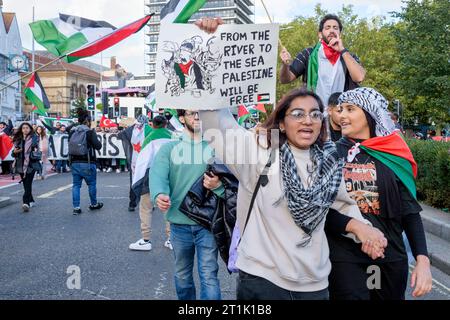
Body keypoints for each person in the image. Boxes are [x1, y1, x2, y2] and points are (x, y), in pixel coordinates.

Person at [326, 87, 432, 300]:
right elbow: (321, 209)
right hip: (344, 258)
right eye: (340, 110)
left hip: (391, 259)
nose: (341, 115)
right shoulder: (330, 154)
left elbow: (409, 212)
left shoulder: (395, 153)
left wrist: (423, 260)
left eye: (350, 109)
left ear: (369, 113)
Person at [150, 110, 224, 300]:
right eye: (192, 113)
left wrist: (218, 186)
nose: (197, 117)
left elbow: (232, 183)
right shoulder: (169, 149)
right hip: (178, 224)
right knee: (182, 276)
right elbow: (158, 175)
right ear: (182, 118)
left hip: (208, 223)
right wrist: (159, 194)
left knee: (209, 275)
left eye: (200, 113)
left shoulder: (217, 148)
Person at [279, 14, 365, 105]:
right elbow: (285, 79)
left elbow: (359, 77)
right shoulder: (308, 54)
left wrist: (342, 50)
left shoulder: (348, 57)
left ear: (340, 33)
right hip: (315, 112)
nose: (332, 30)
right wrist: (285, 64)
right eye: (327, 28)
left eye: (335, 28)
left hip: (341, 113)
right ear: (320, 34)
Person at [129, 115, 174, 251]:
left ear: (153, 125)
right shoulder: (173, 137)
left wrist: (137, 180)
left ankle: (146, 239)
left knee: (146, 207)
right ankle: (171, 238)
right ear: (166, 124)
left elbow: (142, 161)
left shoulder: (149, 138)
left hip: (150, 175)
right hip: (169, 174)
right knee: (168, 206)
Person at [68, 109, 103, 215]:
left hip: (74, 162)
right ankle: (93, 204)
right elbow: (98, 146)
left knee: (76, 185)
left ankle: (76, 207)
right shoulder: (89, 132)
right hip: (87, 162)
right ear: (88, 121)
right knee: (91, 184)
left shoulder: (73, 131)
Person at [11, 122, 41, 212]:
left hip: (31, 164)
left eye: (27, 128)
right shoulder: (18, 139)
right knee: (25, 184)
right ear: (21, 129)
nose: (25, 129)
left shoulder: (34, 138)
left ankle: (25, 203)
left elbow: (37, 151)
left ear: (30, 129)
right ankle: (31, 199)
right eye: (23, 128)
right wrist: (15, 152)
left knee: (28, 183)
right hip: (20, 164)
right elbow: (13, 154)